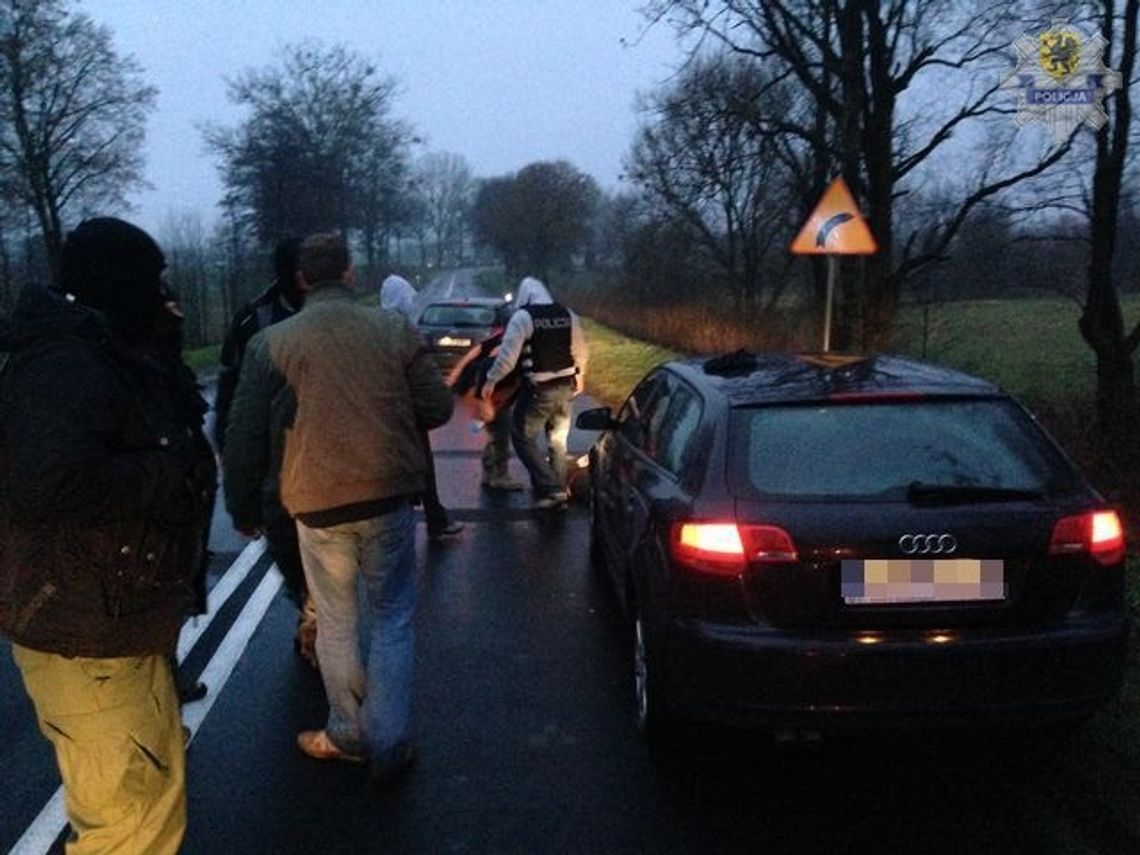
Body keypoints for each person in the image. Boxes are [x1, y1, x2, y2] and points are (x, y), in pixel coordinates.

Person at [0, 217, 217, 854]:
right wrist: (169, 468)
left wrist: (162, 343)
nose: (165, 294)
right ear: (119, 286)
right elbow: (50, 483)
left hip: (114, 626)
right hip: (85, 636)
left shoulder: (105, 354)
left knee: (146, 806)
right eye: (154, 284)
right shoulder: (66, 365)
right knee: (129, 827)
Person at [224, 233, 453, 788]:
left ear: (302, 279)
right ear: (351, 274)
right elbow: (438, 406)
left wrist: (242, 504)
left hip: (316, 506)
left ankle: (347, 733)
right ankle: (390, 740)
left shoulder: (272, 343)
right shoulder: (394, 330)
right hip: (387, 498)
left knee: (335, 621)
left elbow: (244, 431)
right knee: (394, 618)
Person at [214, 237, 319, 667]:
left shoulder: (335, 315)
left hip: (327, 452)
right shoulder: (253, 319)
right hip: (274, 457)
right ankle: (306, 602)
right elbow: (229, 385)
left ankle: (317, 615)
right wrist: (227, 443)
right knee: (286, 545)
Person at [481, 276, 588, 509]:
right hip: (565, 387)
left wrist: (490, 382)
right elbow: (580, 349)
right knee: (558, 441)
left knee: (522, 437)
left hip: (540, 389)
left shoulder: (524, 317)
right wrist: (580, 376)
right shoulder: (566, 314)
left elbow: (507, 359)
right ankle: (556, 492)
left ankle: (551, 488)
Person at [379, 274, 463, 541]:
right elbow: (423, 379)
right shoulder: (405, 330)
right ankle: (435, 519)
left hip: (375, 414)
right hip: (408, 412)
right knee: (423, 467)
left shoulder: (369, 329)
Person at [447, 316, 524, 492]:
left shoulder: (503, 336)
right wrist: (487, 399)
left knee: (495, 433)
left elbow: (474, 353)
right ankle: (499, 476)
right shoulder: (511, 342)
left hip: (480, 389)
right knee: (500, 433)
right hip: (486, 390)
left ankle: (490, 474)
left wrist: (454, 376)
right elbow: (491, 367)